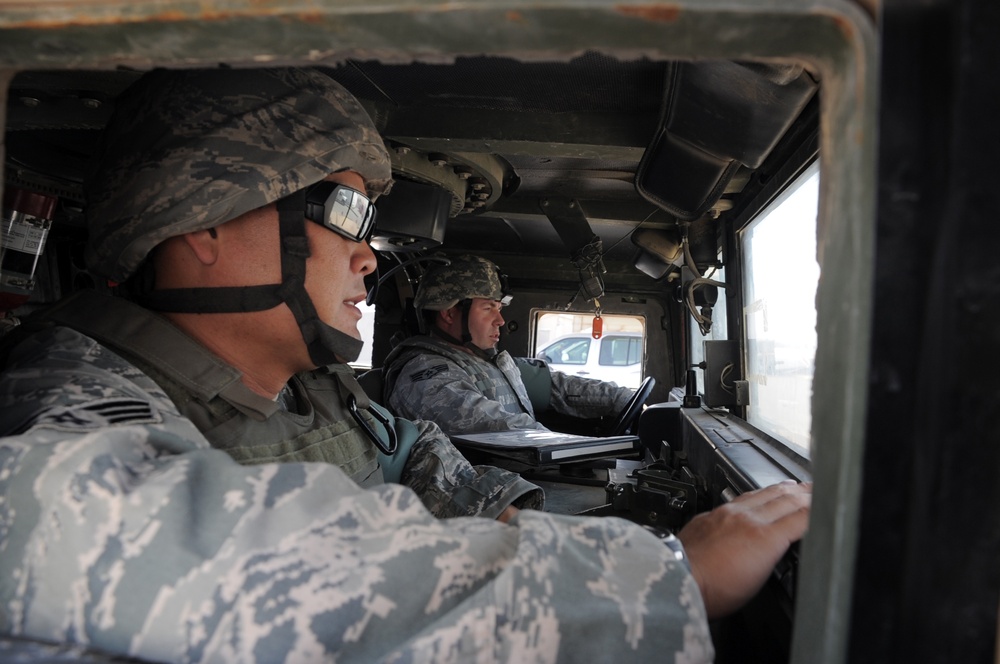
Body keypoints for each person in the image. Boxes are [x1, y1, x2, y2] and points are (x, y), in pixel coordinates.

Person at [0, 66, 811, 662]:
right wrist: (663, 579)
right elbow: (180, 558)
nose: (367, 260)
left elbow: (413, 454)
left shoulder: (316, 388)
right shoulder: (66, 395)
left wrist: (522, 528)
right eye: (348, 213)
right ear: (202, 221)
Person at [383, 254, 636, 437]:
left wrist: (624, 399)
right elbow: (495, 426)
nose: (500, 320)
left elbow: (558, 387)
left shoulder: (484, 360)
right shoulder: (425, 374)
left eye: (500, 308)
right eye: (488, 308)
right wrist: (570, 446)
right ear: (449, 313)